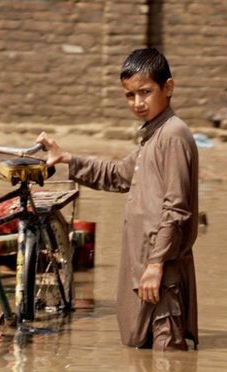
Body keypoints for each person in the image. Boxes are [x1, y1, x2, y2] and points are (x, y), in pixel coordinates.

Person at [37, 48, 199, 351]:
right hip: (148, 264)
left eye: (146, 92)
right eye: (130, 95)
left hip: (161, 269)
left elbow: (177, 209)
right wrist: (66, 159)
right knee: (149, 357)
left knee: (168, 358)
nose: (137, 103)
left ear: (169, 88)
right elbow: (118, 174)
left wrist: (156, 264)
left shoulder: (173, 136)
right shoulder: (153, 136)